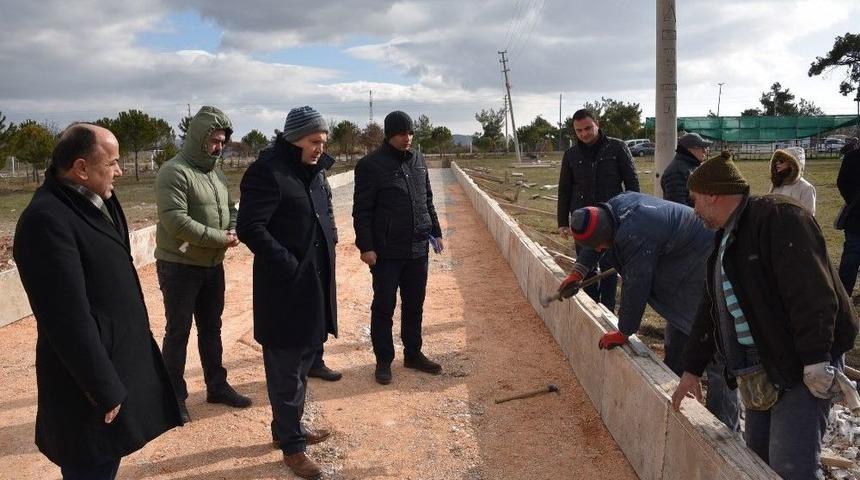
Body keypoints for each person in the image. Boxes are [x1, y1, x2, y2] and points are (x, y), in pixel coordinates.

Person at [672, 152, 858, 480]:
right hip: (760, 365)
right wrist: (691, 369)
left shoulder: (778, 219)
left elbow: (812, 293)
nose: (695, 209)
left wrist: (816, 360)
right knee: (756, 460)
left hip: (802, 363)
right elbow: (712, 305)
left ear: (713, 194)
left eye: (695, 199)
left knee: (790, 466)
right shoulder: (727, 238)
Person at [13, 124, 181, 479]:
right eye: (113, 163)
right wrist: (102, 389)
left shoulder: (94, 197)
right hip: (85, 385)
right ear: (82, 168)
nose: (120, 171)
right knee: (90, 465)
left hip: (113, 364)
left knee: (106, 460)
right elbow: (66, 318)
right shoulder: (46, 220)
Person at [559, 191, 739, 430]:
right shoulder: (611, 210)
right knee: (677, 337)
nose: (602, 248)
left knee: (713, 344)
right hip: (680, 259)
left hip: (706, 261)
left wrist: (624, 332)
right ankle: (673, 399)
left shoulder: (637, 232)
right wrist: (579, 271)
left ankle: (725, 427)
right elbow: (596, 237)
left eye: (603, 244)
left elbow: (636, 285)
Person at [237, 106, 337, 479]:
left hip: (314, 286)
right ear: (294, 138)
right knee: (284, 371)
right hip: (283, 290)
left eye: (323, 141)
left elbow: (321, 215)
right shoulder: (267, 173)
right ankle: (293, 449)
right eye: (314, 141)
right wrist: (289, 264)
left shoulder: (313, 172)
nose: (319, 147)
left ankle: (287, 432)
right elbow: (250, 227)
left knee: (303, 363)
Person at [155, 106, 250, 422]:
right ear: (198, 138)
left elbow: (231, 207)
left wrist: (233, 228)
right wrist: (221, 238)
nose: (219, 147)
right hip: (179, 266)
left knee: (212, 327)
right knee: (178, 331)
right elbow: (176, 222)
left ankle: (217, 386)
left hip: (212, 266)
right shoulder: (174, 171)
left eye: (222, 141)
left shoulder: (217, 173)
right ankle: (173, 399)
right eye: (214, 140)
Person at [353, 110, 444, 385]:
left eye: (410, 133)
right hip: (386, 252)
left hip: (418, 248)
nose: (408, 138)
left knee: (414, 304)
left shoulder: (418, 160)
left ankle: (413, 353)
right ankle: (383, 361)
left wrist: (435, 230)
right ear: (390, 134)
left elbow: (426, 198)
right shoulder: (370, 165)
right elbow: (362, 211)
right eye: (402, 134)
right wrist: (366, 246)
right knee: (384, 306)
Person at [557, 108, 639, 311]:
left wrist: (632, 215)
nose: (584, 134)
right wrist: (562, 222)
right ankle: (591, 307)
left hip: (612, 218)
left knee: (611, 266)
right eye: (579, 130)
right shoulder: (571, 155)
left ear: (597, 124)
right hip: (582, 220)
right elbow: (564, 189)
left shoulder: (617, 148)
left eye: (588, 128)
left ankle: (608, 309)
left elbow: (632, 184)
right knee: (586, 267)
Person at [660, 132, 711, 206]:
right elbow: (678, 207)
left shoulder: (690, 166)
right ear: (690, 150)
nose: (705, 151)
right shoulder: (676, 172)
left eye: (705, 148)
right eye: (701, 147)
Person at [838, 147, 860, 296]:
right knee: (851, 258)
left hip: (855, 216)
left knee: (851, 256)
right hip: (856, 218)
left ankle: (843, 295)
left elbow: (842, 182)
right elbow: (842, 182)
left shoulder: (852, 157)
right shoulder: (852, 157)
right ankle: (843, 295)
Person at [768, 147, 816, 215]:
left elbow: (808, 218)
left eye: (782, 160)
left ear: (793, 164)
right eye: (776, 160)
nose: (777, 163)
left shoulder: (806, 188)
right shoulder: (776, 184)